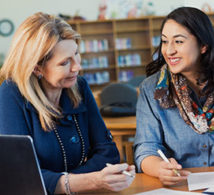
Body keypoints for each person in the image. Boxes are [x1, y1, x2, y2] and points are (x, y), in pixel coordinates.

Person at [0, 12, 135, 194]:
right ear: (36, 67)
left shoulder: (79, 86)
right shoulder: (11, 94)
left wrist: (71, 182)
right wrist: (89, 180)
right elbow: (22, 175)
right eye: (64, 63)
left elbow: (109, 152)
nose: (77, 67)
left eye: (77, 54)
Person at [134, 7, 214, 186]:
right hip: (179, 185)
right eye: (164, 42)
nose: (169, 51)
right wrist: (159, 169)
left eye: (178, 41)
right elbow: (146, 147)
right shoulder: (152, 90)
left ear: (203, 45)